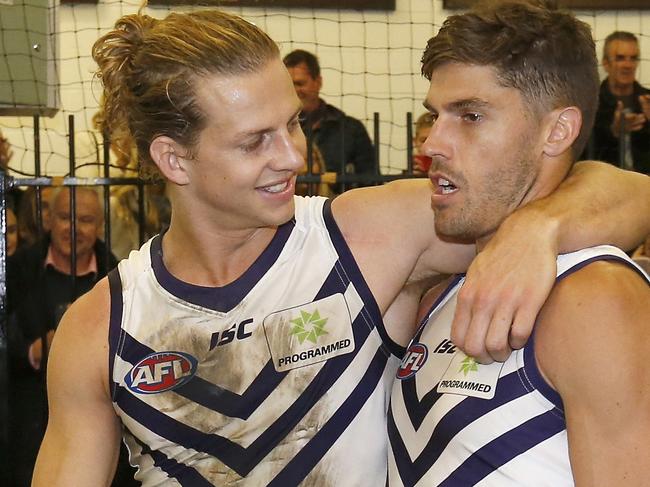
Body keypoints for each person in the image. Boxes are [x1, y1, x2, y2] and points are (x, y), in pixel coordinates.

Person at [32, 8, 650, 486]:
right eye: (256, 141)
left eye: (294, 122)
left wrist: (536, 228)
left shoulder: (371, 234)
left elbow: (624, 190)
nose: (293, 156)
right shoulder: (100, 329)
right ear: (174, 159)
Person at [387, 2, 650, 485]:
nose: (431, 144)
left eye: (469, 115)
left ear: (558, 131)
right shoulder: (451, 275)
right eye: (436, 115)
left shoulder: (595, 299)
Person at [5, 186, 122, 486]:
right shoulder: (16, 271)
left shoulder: (120, 279)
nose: (73, 228)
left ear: (99, 226)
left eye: (84, 219)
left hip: (98, 434)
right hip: (26, 429)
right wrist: (36, 349)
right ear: (48, 221)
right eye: (64, 217)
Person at [283, 49, 376, 193]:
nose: (295, 91)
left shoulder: (351, 130)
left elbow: (371, 184)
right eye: (289, 84)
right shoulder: (277, 129)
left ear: (318, 82)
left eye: (300, 83)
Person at [588, 31, 650, 174]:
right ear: (605, 63)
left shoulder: (647, 101)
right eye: (620, 58)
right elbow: (582, 158)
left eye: (633, 58)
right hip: (603, 187)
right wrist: (614, 133)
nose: (628, 65)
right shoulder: (591, 103)